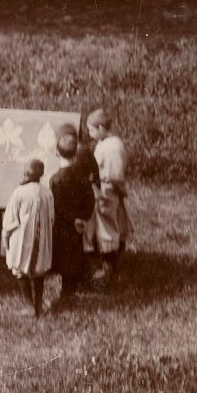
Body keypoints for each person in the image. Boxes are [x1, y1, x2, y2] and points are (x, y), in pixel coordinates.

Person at [85, 108, 133, 284]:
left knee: (107, 226)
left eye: (91, 130)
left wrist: (109, 187)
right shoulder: (106, 142)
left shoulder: (112, 146)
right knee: (104, 224)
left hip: (107, 190)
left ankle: (108, 268)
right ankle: (104, 261)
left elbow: (114, 174)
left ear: (100, 128)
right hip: (103, 188)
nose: (89, 134)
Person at [48, 124, 95, 305]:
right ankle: (70, 288)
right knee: (75, 254)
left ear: (56, 152)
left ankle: (67, 292)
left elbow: (58, 206)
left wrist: (72, 219)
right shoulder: (82, 176)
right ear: (76, 153)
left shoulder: (56, 179)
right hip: (78, 225)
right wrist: (82, 218)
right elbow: (90, 199)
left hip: (63, 225)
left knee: (63, 256)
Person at [2, 159, 55, 317]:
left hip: (22, 239)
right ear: (41, 174)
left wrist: (6, 236)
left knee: (21, 269)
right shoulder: (47, 192)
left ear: (25, 173)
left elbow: (10, 219)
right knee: (39, 270)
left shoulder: (19, 192)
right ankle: (38, 304)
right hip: (41, 237)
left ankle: (29, 305)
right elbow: (52, 218)